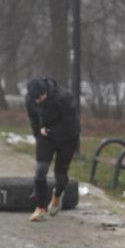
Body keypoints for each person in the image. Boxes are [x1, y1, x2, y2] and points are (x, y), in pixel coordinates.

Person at [25, 77, 80, 222]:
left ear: (46, 92)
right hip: (45, 136)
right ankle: (40, 208)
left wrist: (49, 131)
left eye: (39, 97)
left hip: (67, 138)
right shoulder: (31, 99)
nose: (36, 100)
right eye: (33, 97)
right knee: (40, 170)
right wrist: (37, 136)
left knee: (60, 176)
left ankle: (57, 196)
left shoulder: (64, 98)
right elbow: (33, 119)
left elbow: (71, 125)